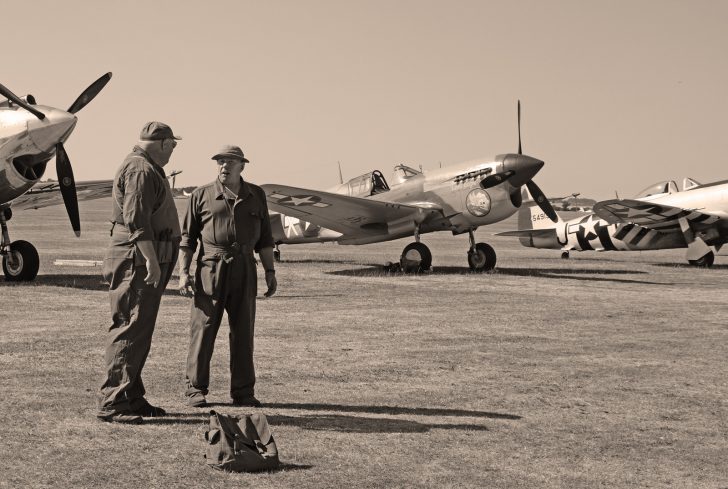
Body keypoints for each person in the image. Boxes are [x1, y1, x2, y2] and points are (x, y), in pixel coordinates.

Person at [178, 144, 276, 408]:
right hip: (211, 267)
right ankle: (195, 389)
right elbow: (187, 239)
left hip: (245, 267)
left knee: (243, 330)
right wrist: (183, 273)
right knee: (204, 328)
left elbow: (265, 238)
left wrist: (270, 271)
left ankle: (243, 393)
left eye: (231, 161)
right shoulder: (201, 195)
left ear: (242, 165)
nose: (224, 165)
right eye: (220, 161)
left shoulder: (256, 195)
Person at [97, 121, 182, 424]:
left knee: (139, 326)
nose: (174, 149)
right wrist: (151, 261)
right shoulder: (141, 170)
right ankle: (114, 401)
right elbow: (137, 221)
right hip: (138, 259)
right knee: (130, 324)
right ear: (161, 142)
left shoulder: (144, 167)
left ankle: (130, 396)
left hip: (140, 257)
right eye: (172, 144)